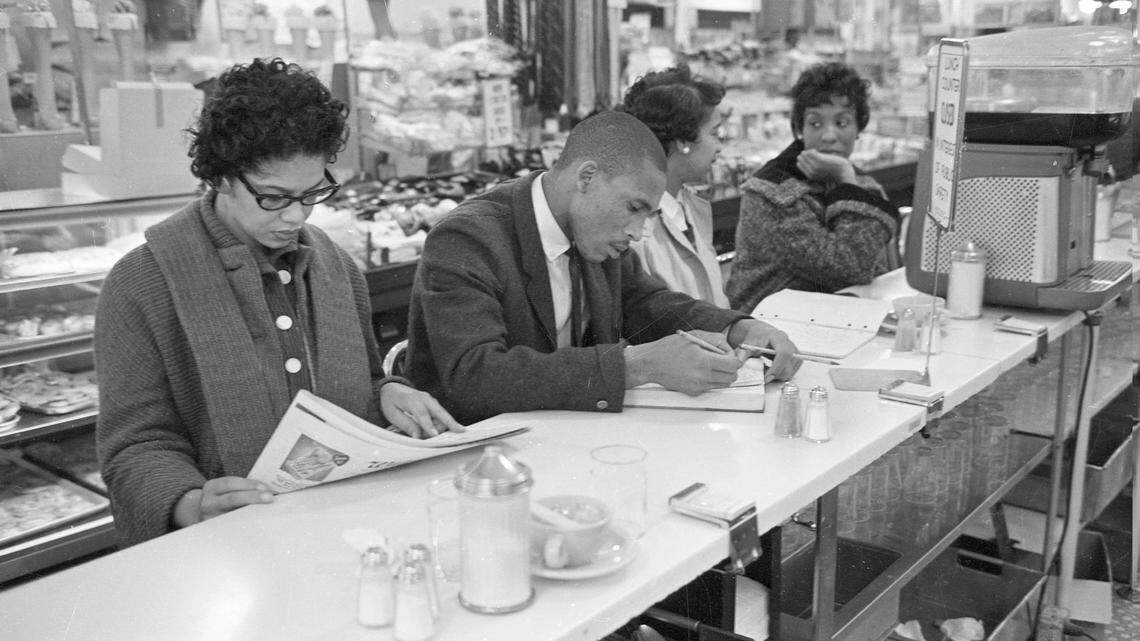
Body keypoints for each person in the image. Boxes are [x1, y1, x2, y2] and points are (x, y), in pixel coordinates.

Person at [95, 58, 460, 546]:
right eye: (273, 196)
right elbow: (135, 445)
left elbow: (360, 386)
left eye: (312, 194)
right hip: (222, 553)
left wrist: (389, 393)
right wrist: (189, 502)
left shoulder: (336, 267)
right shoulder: (144, 283)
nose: (296, 215)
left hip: (344, 531)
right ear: (222, 175)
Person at [405, 111, 800, 424]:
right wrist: (638, 364)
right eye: (634, 209)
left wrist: (737, 328)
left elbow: (645, 302)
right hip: (479, 461)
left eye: (647, 214)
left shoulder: (590, 231)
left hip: (564, 438)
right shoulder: (469, 239)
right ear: (587, 176)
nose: (638, 232)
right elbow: (474, 377)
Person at [725, 62, 900, 312]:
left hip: (837, 323)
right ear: (799, 129)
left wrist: (846, 180)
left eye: (842, 123)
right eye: (815, 124)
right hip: (767, 333)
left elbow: (876, 273)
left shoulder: (867, 187)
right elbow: (849, 267)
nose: (829, 136)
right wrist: (845, 177)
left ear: (859, 128)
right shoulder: (770, 193)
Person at [619, 64, 730, 307]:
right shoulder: (637, 230)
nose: (719, 146)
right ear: (682, 141)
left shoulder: (688, 207)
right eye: (714, 134)